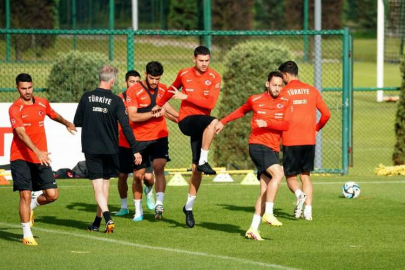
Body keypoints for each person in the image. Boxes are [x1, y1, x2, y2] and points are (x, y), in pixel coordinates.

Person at [215, 71, 292, 241]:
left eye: (280, 85)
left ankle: (253, 229)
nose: (277, 88)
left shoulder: (286, 101)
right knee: (279, 173)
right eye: (274, 85)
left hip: (272, 148)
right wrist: (223, 121)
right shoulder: (255, 100)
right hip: (257, 145)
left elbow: (286, 125)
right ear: (267, 84)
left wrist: (268, 123)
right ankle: (269, 213)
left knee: (265, 191)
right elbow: (241, 111)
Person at [153, 46, 222, 228]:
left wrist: (186, 95)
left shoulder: (215, 77)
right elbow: (171, 90)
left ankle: (189, 208)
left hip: (203, 124)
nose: (204, 64)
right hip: (187, 120)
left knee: (196, 170)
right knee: (213, 122)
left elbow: (211, 103)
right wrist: (158, 104)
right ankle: (204, 160)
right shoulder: (184, 73)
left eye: (207, 60)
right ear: (194, 59)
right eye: (201, 60)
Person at [9, 73, 76, 245]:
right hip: (20, 157)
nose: (27, 91)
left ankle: (32, 205)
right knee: (24, 194)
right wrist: (37, 151)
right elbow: (21, 133)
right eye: (23, 88)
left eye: (30, 87)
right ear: (17, 88)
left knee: (52, 195)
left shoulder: (42, 102)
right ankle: (26, 234)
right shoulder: (15, 108)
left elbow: (53, 115)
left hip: (41, 157)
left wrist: (67, 123)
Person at [73, 65, 142, 233]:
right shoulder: (116, 101)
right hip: (111, 148)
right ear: (113, 80)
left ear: (100, 78)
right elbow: (125, 127)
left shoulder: (86, 97)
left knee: (97, 187)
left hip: (92, 147)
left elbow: (77, 121)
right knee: (104, 186)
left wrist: (93, 119)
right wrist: (135, 149)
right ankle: (97, 222)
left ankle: (107, 217)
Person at [278, 61, 331, 221]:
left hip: (290, 139)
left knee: (290, 177)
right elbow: (326, 114)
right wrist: (316, 129)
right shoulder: (312, 90)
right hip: (309, 139)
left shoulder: (284, 92)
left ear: (286, 75)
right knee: (306, 176)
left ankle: (299, 194)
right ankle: (308, 211)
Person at [126, 61, 178, 221]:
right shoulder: (133, 90)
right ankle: (138, 210)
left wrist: (184, 120)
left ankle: (159, 203)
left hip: (159, 136)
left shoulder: (163, 89)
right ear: (146, 75)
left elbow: (167, 108)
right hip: (139, 139)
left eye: (158, 78)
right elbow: (132, 116)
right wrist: (152, 113)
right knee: (139, 176)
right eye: (151, 78)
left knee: (159, 166)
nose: (155, 82)